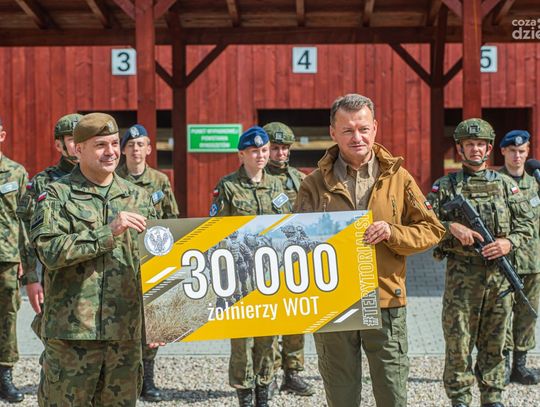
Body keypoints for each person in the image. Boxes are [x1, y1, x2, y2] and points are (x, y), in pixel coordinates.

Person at [294, 93, 445, 407]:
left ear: (375, 128)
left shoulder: (398, 178)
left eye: (363, 129)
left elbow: (432, 229)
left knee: (392, 392)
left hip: (385, 299)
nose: (357, 137)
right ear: (333, 133)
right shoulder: (313, 184)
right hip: (333, 303)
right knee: (341, 394)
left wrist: (393, 232)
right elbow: (293, 243)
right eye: (347, 130)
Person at [30, 113, 159, 406]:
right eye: (101, 145)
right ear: (78, 149)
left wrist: (159, 319)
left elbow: (154, 262)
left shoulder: (140, 198)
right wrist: (107, 232)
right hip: (72, 336)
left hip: (124, 336)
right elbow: (49, 251)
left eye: (114, 143)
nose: (111, 152)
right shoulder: (56, 195)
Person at [428, 119, 535, 407]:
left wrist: (508, 242)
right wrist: (451, 228)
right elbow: (423, 224)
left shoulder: (506, 185)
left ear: (489, 149)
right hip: (462, 280)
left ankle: (492, 397)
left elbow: (527, 225)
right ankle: (460, 398)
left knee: (495, 343)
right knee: (458, 344)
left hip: (499, 280)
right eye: (469, 144)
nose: (475, 149)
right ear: (459, 149)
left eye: (480, 144)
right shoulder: (445, 187)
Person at [210, 126, 292, 407]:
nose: (261, 155)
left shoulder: (278, 186)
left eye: (264, 150)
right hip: (240, 277)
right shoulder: (228, 186)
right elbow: (216, 232)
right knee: (242, 341)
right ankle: (244, 396)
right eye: (255, 151)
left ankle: (263, 392)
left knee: (268, 339)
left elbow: (287, 227)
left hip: (270, 277)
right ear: (241, 155)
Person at [117, 123, 180, 402]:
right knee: (122, 319)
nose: (135, 149)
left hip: (150, 260)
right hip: (120, 260)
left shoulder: (160, 181)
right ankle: (124, 378)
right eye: (130, 145)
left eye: (140, 144)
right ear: (123, 151)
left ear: (149, 149)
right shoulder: (114, 179)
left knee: (151, 321)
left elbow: (171, 219)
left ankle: (147, 379)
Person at [17, 113, 82, 336]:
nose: (78, 144)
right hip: (54, 281)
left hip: (98, 280)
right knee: (57, 343)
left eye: (83, 138)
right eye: (72, 139)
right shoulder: (43, 182)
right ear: (58, 145)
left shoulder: (104, 179)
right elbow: (25, 229)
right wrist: (31, 277)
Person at [262, 121, 314, 397]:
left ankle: (292, 373)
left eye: (284, 148)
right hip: (264, 261)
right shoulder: (255, 179)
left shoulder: (300, 179)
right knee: (269, 320)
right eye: (275, 148)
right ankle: (268, 375)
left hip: (294, 260)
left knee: (295, 317)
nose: (280, 153)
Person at [498, 130, 540, 385]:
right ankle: (501, 366)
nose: (517, 156)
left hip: (532, 263)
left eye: (522, 151)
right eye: (512, 151)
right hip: (504, 263)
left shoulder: (536, 182)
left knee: (527, 315)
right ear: (503, 151)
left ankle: (520, 366)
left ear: (527, 152)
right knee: (501, 315)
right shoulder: (495, 182)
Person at [0, 117, 28, 403]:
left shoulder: (16, 173)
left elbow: (24, 219)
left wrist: (25, 260)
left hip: (6, 258)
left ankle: (5, 374)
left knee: (7, 316)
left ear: (2, 136)